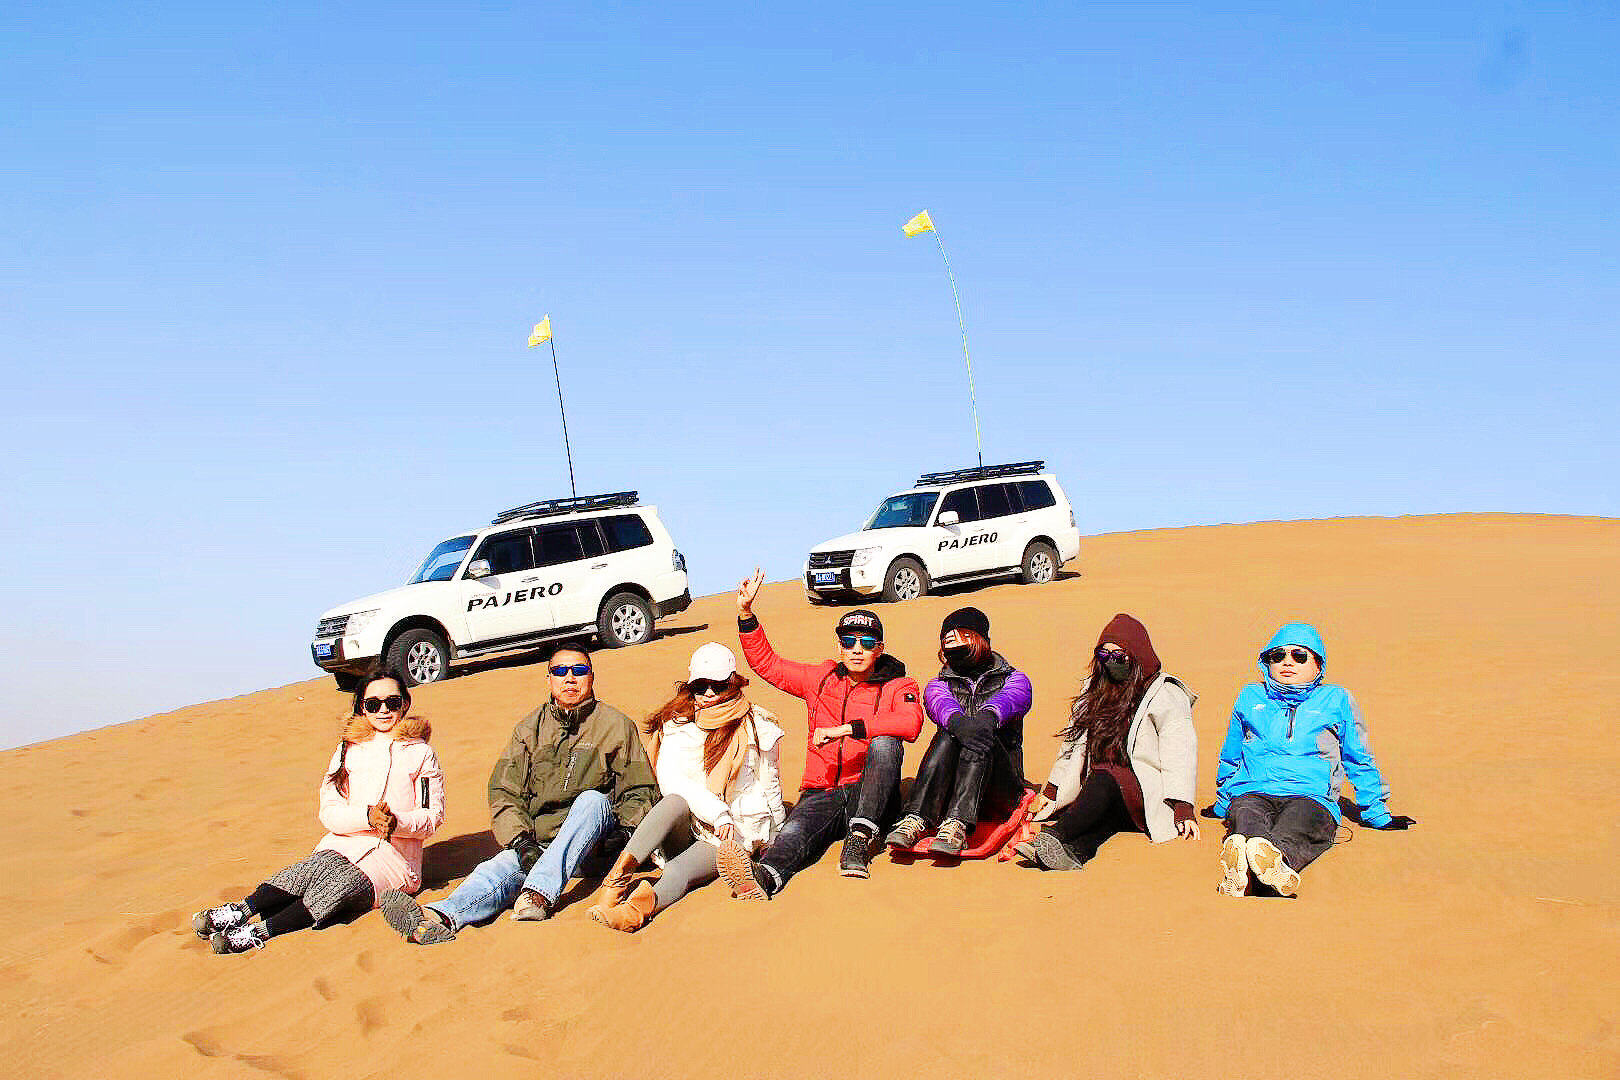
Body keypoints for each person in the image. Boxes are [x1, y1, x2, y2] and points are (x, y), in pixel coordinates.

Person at [380, 641, 656, 943]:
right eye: (560, 671)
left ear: (591, 677)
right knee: (496, 868)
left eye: (579, 671)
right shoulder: (528, 730)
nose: (570, 678)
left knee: (593, 801)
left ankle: (538, 895)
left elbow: (641, 788)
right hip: (541, 847)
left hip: (595, 849)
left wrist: (625, 832)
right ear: (549, 679)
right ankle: (438, 917)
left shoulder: (616, 725)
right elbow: (504, 791)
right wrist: (521, 841)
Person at [191, 666, 445, 954]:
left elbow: (432, 817)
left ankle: (257, 932)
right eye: (373, 704)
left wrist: (395, 822)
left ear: (405, 704)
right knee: (305, 872)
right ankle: (239, 910)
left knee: (341, 885)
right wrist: (367, 817)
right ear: (362, 707)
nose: (383, 710)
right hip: (343, 844)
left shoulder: (422, 753)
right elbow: (329, 810)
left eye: (392, 702)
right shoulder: (347, 750)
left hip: (395, 861)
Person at [717, 569, 924, 898]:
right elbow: (768, 665)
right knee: (795, 832)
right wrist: (746, 614)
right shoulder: (821, 678)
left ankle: (859, 841)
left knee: (886, 744)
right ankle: (763, 879)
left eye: (867, 643)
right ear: (840, 647)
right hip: (823, 790)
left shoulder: (899, 685)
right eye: (849, 642)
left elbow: (910, 723)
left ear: (880, 649)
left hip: (869, 793)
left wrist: (848, 729)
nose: (857, 649)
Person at [587, 642, 786, 932]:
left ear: (732, 683)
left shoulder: (757, 724)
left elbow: (770, 783)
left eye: (717, 686)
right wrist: (717, 812)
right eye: (700, 686)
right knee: (673, 801)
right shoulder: (679, 722)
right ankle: (615, 884)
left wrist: (777, 835)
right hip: (691, 822)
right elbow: (671, 779)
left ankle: (634, 912)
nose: (708, 694)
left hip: (730, 834)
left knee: (678, 870)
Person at [1212, 622, 1415, 898]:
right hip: (1253, 790)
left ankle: (1268, 864)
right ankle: (1251, 867)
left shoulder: (1336, 700)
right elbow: (1231, 753)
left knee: (1300, 824)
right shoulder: (1250, 696)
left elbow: (1357, 757)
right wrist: (1223, 802)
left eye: (1299, 656)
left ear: (1318, 665)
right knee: (1246, 818)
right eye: (1278, 656)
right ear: (1267, 662)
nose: (1287, 662)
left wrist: (1377, 814)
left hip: (1311, 796)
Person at [1014, 613, 1199, 870]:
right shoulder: (1095, 688)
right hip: (1105, 797)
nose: (1111, 661)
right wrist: (1052, 791)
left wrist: (1182, 806)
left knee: (1105, 776)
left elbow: (1179, 751)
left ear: (1137, 653)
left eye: (1119, 655)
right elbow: (1071, 742)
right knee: (1104, 819)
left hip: (1144, 793)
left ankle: (1054, 835)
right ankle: (1074, 854)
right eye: (1104, 654)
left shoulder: (1164, 693)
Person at [884, 607, 1030, 855]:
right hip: (950, 792)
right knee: (950, 732)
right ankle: (916, 817)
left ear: (981, 639)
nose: (953, 644)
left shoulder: (1014, 679)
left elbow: (1011, 699)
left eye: (962, 636)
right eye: (947, 640)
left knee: (981, 735)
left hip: (1000, 790)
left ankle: (957, 824)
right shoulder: (938, 684)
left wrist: (987, 718)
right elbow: (939, 704)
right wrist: (958, 723)